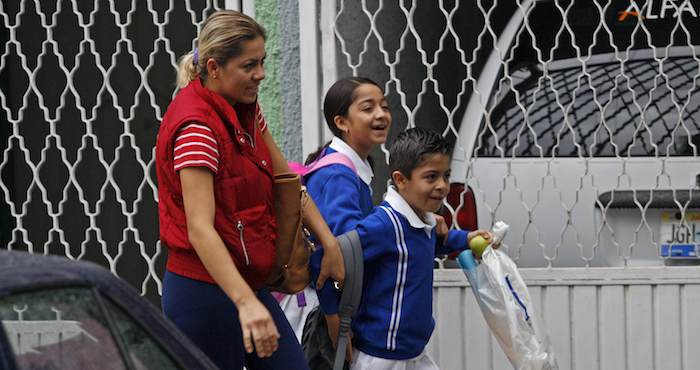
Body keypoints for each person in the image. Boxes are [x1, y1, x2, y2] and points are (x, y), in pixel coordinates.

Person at [155, 10, 344, 370]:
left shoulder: (246, 110)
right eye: (248, 66)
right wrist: (245, 303)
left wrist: (328, 240)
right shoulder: (196, 127)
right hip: (202, 293)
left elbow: (285, 179)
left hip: (246, 282)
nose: (260, 74)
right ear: (214, 68)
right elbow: (199, 228)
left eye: (262, 62)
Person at [348, 128, 494, 370]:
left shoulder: (424, 221)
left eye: (446, 176)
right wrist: (334, 316)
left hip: (414, 354)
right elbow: (335, 259)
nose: (442, 186)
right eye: (431, 177)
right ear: (401, 179)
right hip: (381, 358)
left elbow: (431, 243)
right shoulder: (384, 225)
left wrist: (467, 239)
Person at [303, 77, 392, 350]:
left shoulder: (352, 166)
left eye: (384, 106)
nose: (381, 114)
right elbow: (338, 247)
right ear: (341, 122)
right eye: (368, 108)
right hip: (322, 307)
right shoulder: (338, 174)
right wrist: (334, 316)